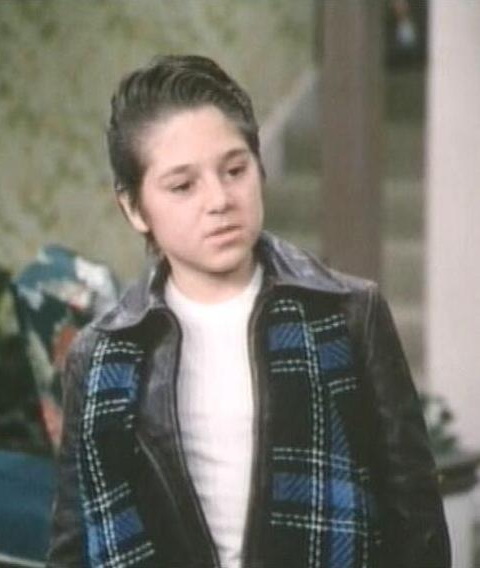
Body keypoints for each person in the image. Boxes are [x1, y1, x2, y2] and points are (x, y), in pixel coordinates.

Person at [47, 55, 450, 568]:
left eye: (234, 170)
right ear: (133, 207)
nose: (219, 199)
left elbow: (416, 519)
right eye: (183, 185)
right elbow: (73, 544)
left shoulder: (349, 314)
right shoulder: (102, 354)